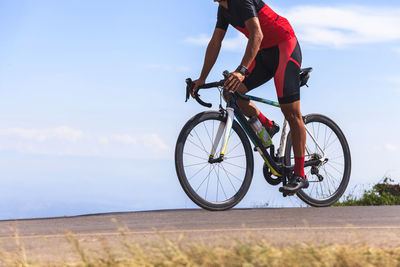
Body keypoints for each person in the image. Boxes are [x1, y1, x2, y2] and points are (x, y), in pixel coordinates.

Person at [191, 0, 308, 193]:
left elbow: (257, 34)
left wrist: (242, 70)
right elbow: (215, 42)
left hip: (284, 45)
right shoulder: (224, 10)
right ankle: (268, 126)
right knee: (230, 92)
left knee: (291, 112)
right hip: (264, 52)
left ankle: (300, 174)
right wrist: (201, 79)